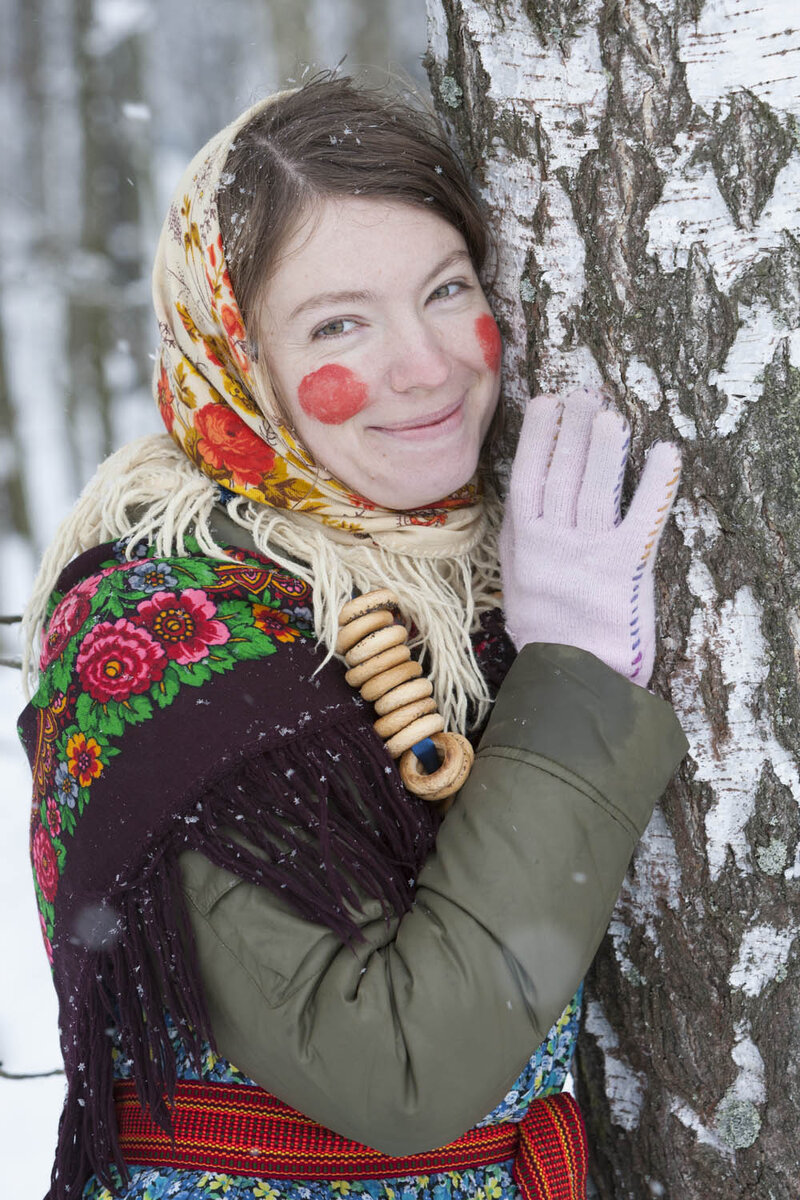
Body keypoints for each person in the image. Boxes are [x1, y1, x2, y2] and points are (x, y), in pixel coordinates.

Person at [19, 75, 687, 1200]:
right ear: (237, 362)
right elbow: (401, 1068)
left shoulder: (459, 574)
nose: (425, 365)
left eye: (444, 290)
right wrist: (566, 679)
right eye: (339, 323)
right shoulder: (167, 641)